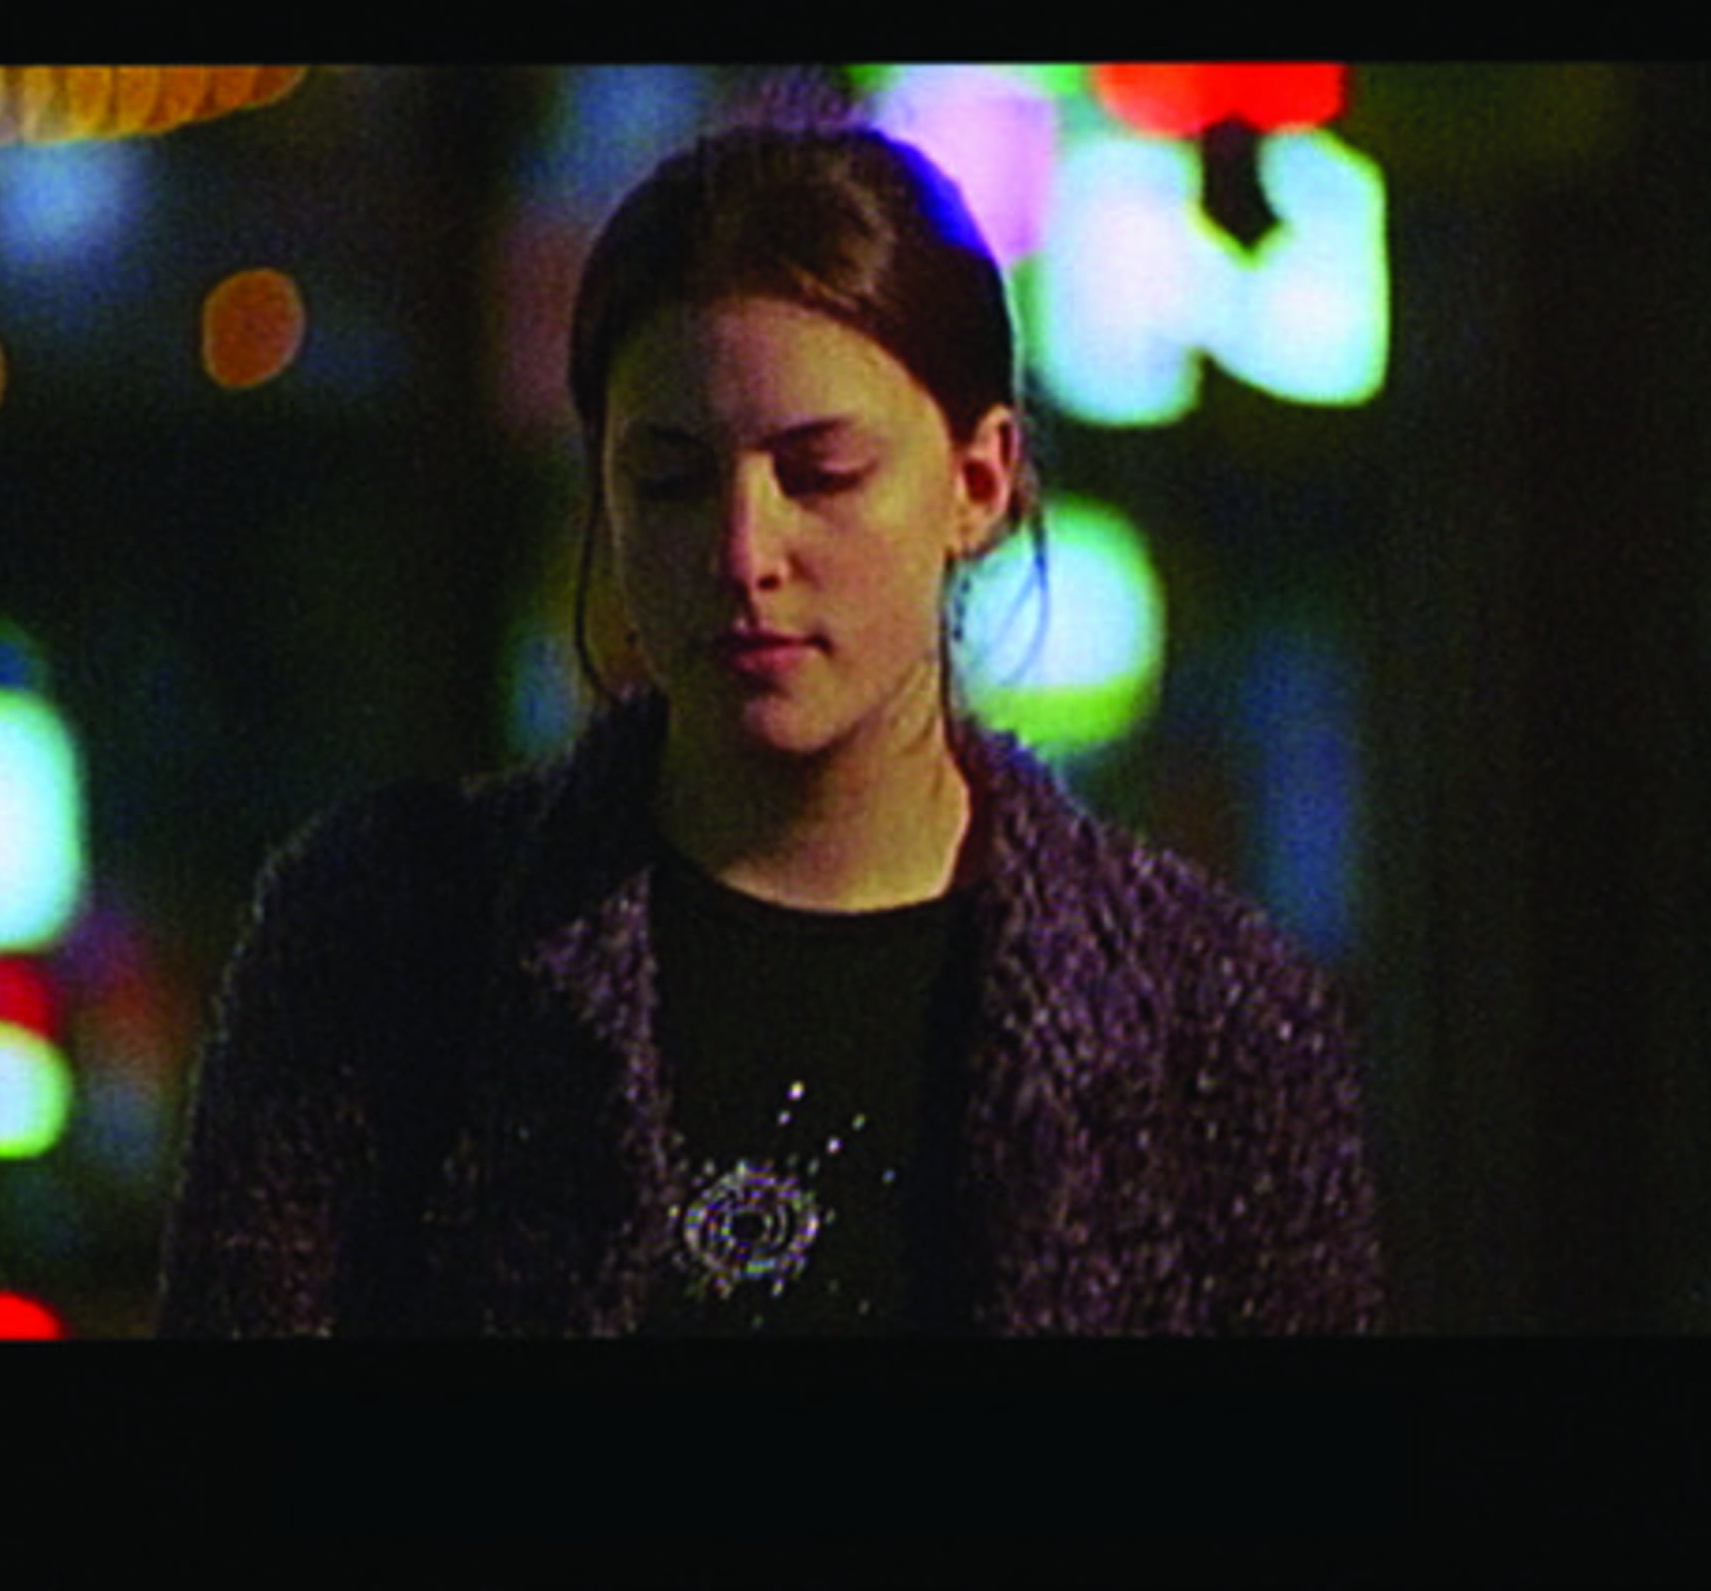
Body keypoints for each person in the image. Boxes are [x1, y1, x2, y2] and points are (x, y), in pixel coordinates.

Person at [156, 120, 1381, 1336]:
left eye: (821, 475)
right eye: (672, 481)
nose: (744, 554)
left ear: (979, 482)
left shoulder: (1200, 1019)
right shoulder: (394, 942)